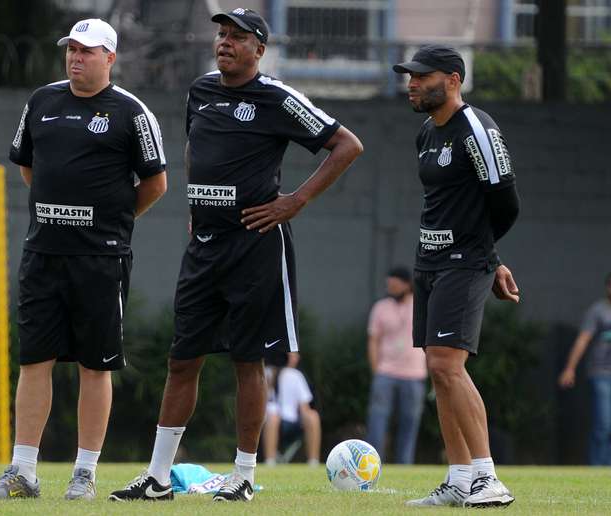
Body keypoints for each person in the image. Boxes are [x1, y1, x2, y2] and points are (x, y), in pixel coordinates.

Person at [109, 8, 362, 503]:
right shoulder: (200, 90)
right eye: (221, 34)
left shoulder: (277, 98)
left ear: (259, 49)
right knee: (182, 361)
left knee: (249, 363)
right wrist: (196, 204)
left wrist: (295, 201)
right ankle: (158, 478)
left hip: (255, 245)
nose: (224, 42)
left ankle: (243, 475)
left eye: (237, 37)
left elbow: (346, 145)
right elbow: (192, 149)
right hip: (204, 245)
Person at [0, 18, 167, 500]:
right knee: (34, 360)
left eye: (87, 51)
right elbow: (27, 167)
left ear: (110, 58)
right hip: (43, 253)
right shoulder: (42, 101)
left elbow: (155, 184)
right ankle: (23, 472)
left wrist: (109, 225)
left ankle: (84, 474)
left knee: (94, 365)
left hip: (100, 259)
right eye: (71, 49)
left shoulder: (132, 113)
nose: (75, 57)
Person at [392, 45, 521, 508]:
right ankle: (459, 479)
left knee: (448, 365)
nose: (411, 84)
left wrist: (485, 257)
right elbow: (452, 203)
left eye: (421, 77)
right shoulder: (427, 132)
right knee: (438, 371)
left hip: (463, 263)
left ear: (452, 79)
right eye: (409, 77)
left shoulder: (478, 130)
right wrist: (495, 257)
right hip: (428, 262)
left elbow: (505, 203)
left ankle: (489, 480)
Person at [365, 266, 427, 464]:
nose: (391, 287)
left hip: (415, 374)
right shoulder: (381, 307)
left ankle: (405, 463)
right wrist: (376, 369)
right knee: (378, 419)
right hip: (386, 372)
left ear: (407, 284)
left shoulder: (420, 304)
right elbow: (373, 339)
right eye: (389, 283)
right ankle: (373, 462)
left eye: (395, 283)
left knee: (410, 422)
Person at [559, 271, 611, 466]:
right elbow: (582, 340)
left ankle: (607, 468)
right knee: (603, 424)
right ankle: (596, 467)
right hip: (601, 374)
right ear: (608, 287)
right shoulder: (598, 311)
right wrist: (570, 368)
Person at [262, 352, 321, 466]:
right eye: (293, 354)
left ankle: (313, 461)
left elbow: (304, 406)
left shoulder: (296, 375)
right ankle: (270, 461)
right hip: (269, 422)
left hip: (292, 421)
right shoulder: (266, 372)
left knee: (313, 416)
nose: (297, 357)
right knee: (273, 417)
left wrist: (307, 418)